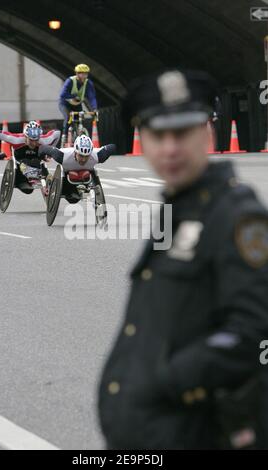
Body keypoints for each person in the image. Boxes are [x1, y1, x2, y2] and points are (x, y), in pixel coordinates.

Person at [98, 69, 268, 450]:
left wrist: (164, 381)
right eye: (158, 135)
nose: (170, 149)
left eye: (182, 133)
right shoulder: (179, 210)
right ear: (142, 138)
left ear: (206, 132)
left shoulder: (237, 217)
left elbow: (254, 332)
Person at [39, 135, 116, 202]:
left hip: (84, 183)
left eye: (86, 156)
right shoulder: (62, 155)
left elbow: (112, 147)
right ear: (75, 152)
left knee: (85, 173)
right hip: (65, 184)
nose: (83, 159)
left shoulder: (98, 155)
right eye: (81, 156)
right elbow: (43, 148)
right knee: (74, 174)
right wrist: (42, 157)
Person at [0, 121, 61, 193]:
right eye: (31, 140)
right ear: (25, 137)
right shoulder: (16, 139)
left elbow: (57, 133)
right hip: (20, 160)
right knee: (28, 190)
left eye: (36, 140)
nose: (34, 143)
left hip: (36, 160)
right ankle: (25, 179)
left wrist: (50, 149)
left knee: (40, 167)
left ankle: (46, 182)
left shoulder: (44, 140)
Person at [58, 64, 98, 144]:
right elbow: (62, 94)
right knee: (68, 117)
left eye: (86, 73)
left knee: (80, 117)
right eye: (81, 73)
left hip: (77, 104)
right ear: (77, 73)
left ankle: (79, 132)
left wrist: (94, 108)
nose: (84, 76)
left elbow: (92, 97)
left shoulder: (88, 83)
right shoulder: (70, 81)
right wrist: (74, 96)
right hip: (65, 103)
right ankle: (64, 137)